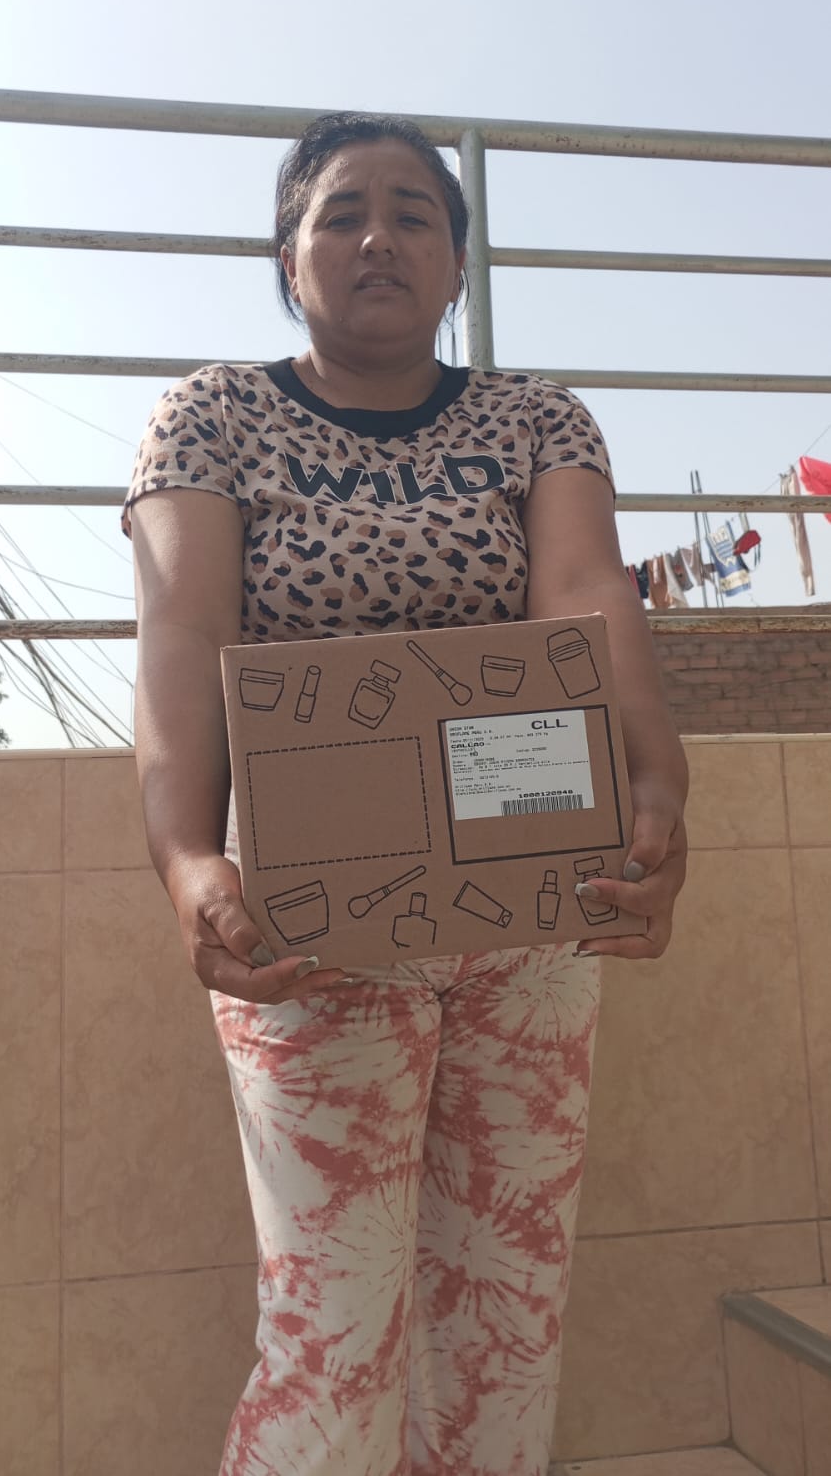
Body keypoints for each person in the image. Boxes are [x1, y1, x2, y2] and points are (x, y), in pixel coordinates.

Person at [123, 112, 688, 1476]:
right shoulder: (212, 416)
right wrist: (189, 860)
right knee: (334, 1321)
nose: (377, 237)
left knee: (505, 1304)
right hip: (310, 923)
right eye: (340, 213)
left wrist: (656, 782)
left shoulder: (538, 419)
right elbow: (184, 635)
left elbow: (584, 592)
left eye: (414, 214)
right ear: (288, 256)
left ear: (456, 263)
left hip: (531, 906)